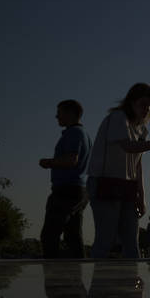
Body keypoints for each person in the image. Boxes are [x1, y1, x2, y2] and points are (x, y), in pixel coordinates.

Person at [87, 83, 150, 258]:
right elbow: (129, 147)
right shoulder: (118, 118)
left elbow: (137, 164)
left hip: (126, 186)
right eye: (143, 104)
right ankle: (100, 282)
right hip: (105, 182)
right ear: (131, 103)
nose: (147, 109)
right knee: (106, 239)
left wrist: (141, 196)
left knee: (131, 240)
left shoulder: (141, 129)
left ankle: (131, 282)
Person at [38, 99, 92, 258]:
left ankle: (53, 275)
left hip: (66, 190)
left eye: (59, 113)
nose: (57, 117)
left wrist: (48, 163)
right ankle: (76, 276)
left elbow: (71, 160)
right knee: (73, 236)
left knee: (50, 235)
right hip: (79, 190)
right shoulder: (84, 134)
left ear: (70, 114)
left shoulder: (73, 133)